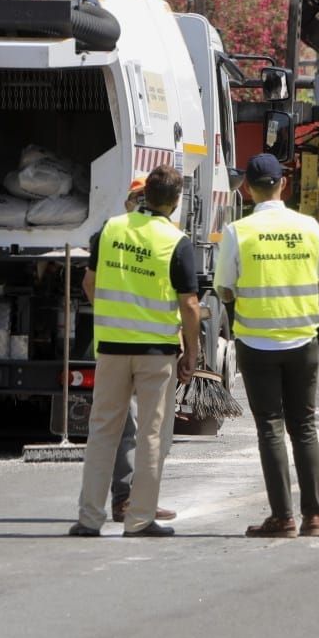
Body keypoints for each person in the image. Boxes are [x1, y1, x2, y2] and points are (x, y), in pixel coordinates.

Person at [70, 165, 200, 538]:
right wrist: (191, 350)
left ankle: (89, 518)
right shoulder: (176, 241)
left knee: (102, 432)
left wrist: (111, 316)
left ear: (145, 196)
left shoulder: (111, 230)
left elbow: (89, 283)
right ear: (175, 202)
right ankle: (140, 518)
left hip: (111, 348)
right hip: (155, 353)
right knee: (152, 434)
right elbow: (189, 304)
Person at [214, 153, 319, 539]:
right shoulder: (309, 227)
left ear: (246, 188)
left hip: (257, 342)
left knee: (270, 427)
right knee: (306, 427)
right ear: (284, 184)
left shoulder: (239, 231)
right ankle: (314, 517)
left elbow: (224, 288)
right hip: (303, 341)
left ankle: (283, 518)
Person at [108, 177, 175, 525]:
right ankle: (127, 500)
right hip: (130, 343)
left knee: (149, 426)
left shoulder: (155, 236)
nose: (140, 205)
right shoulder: (120, 235)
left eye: (142, 198)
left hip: (144, 342)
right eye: (135, 198)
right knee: (131, 424)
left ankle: (139, 499)